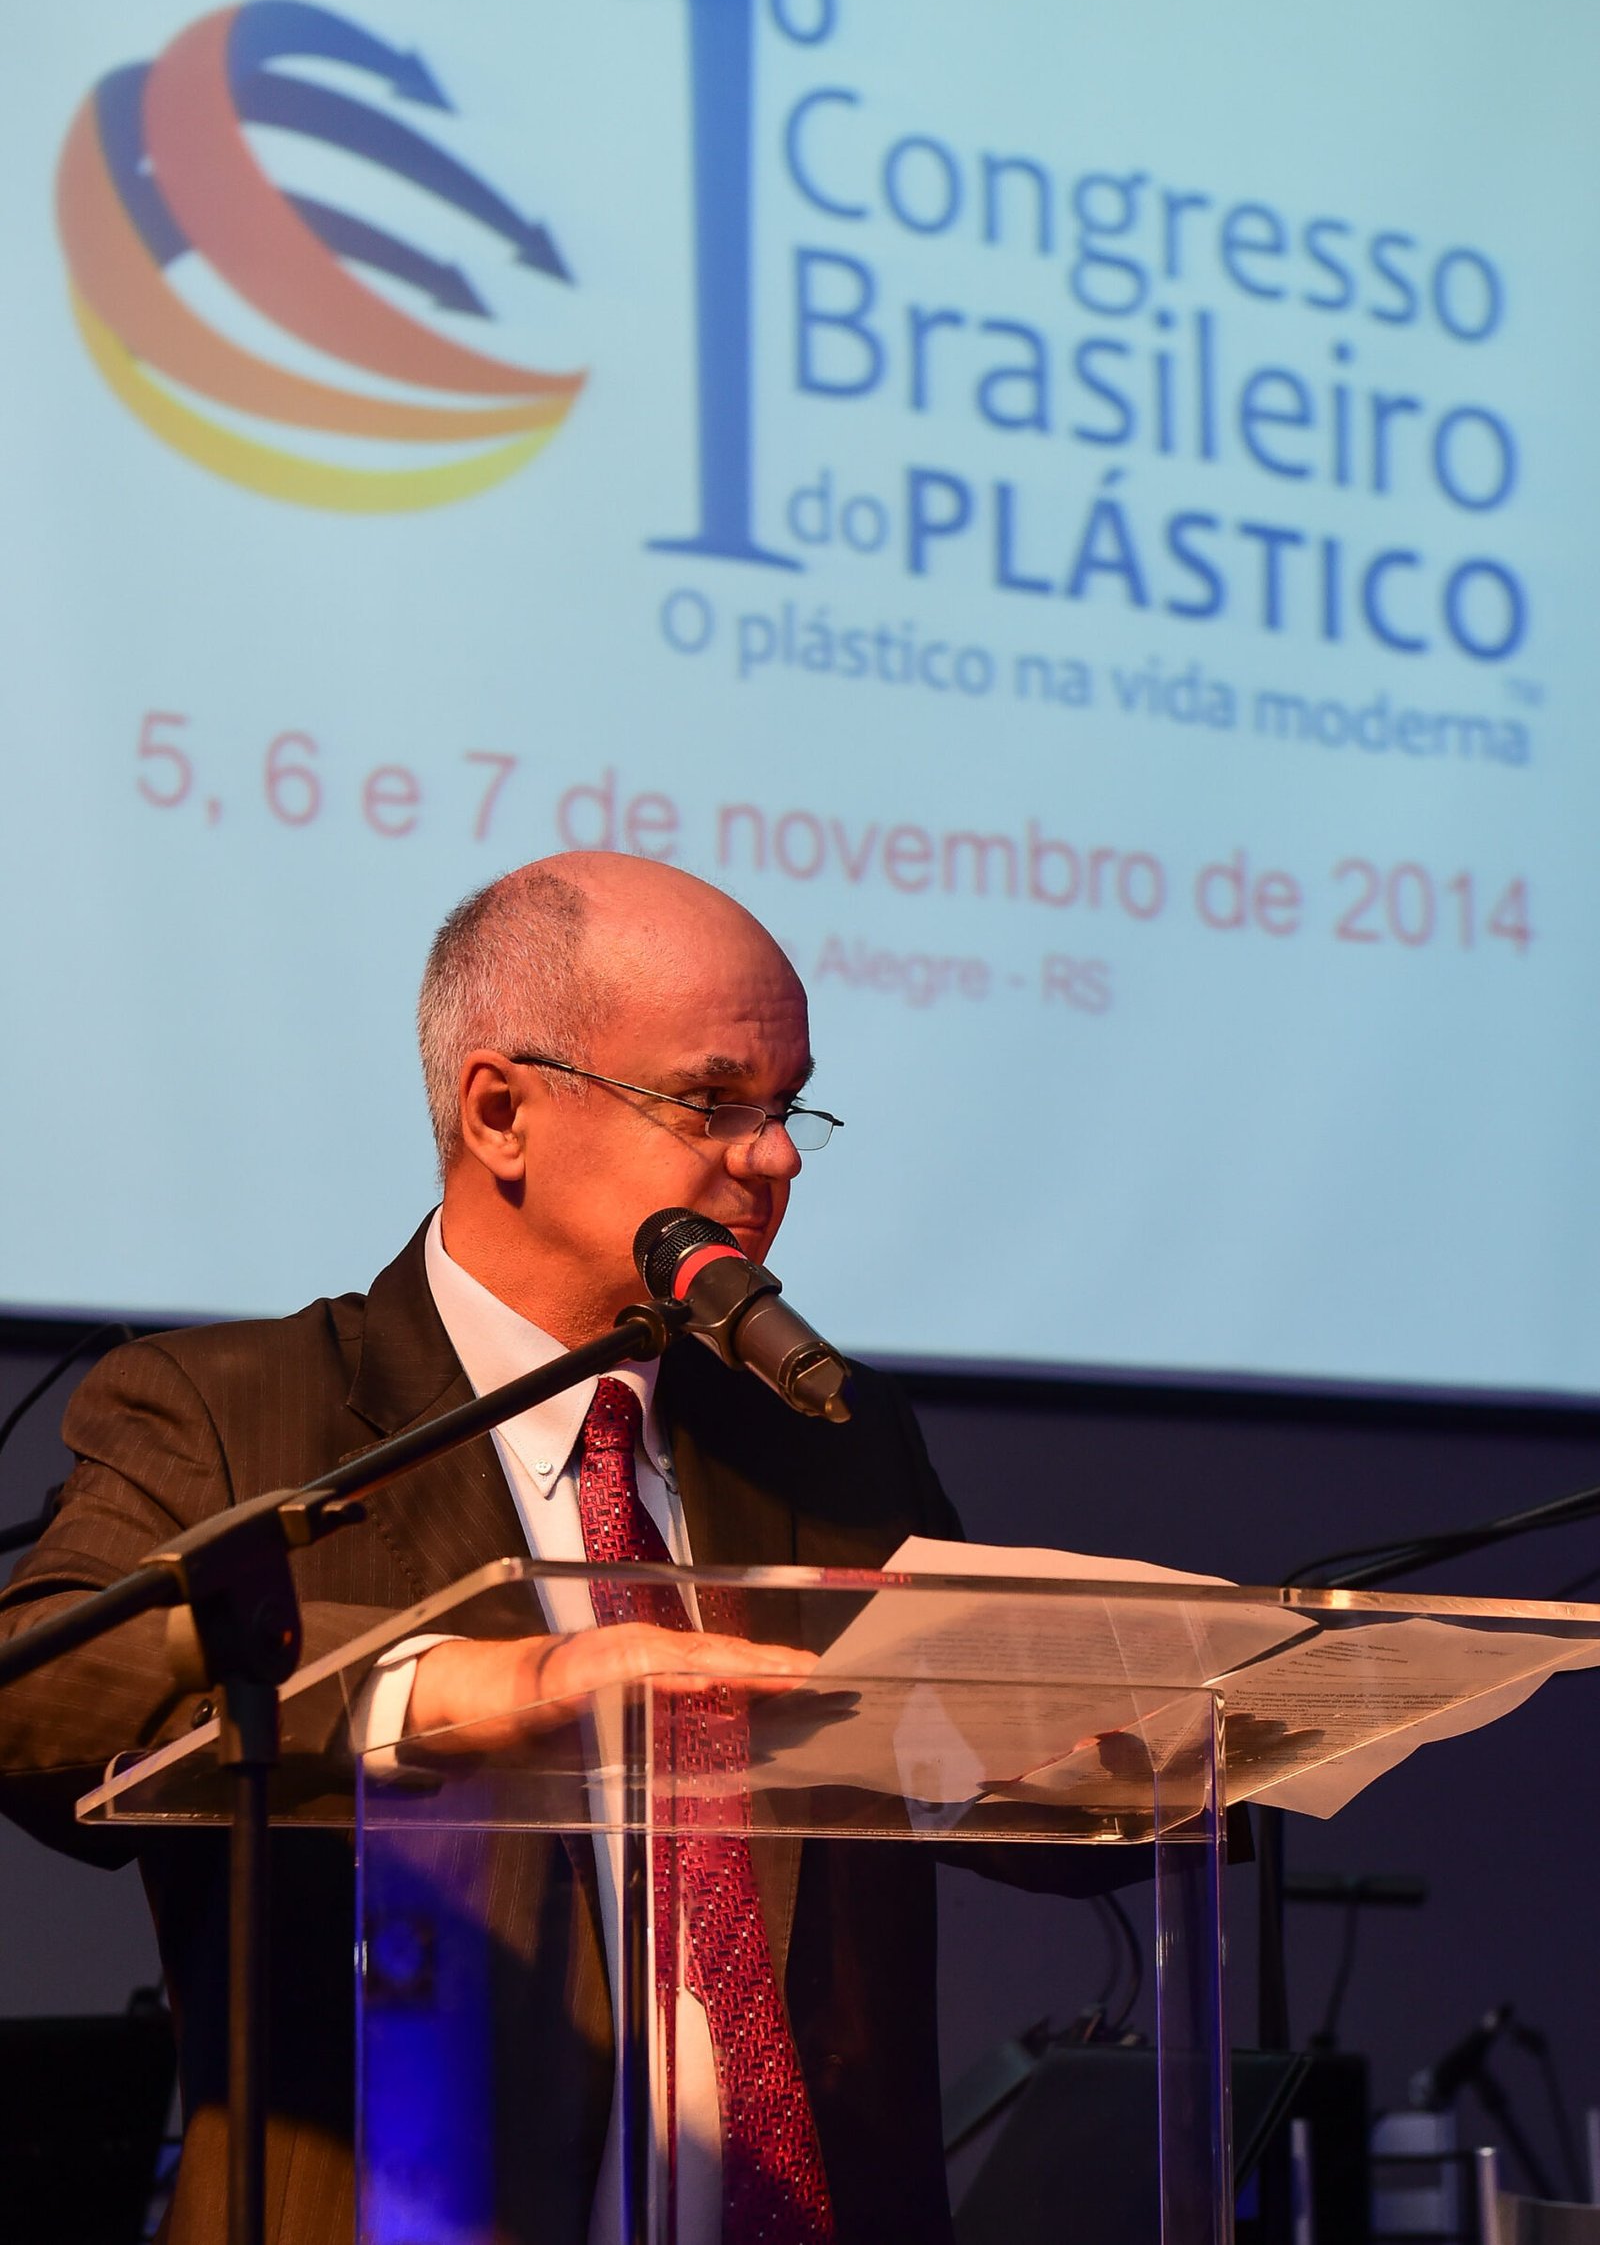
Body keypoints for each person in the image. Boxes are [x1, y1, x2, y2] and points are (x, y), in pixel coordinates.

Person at [0, 852, 1141, 2245]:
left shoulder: (833, 1435)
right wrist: (431, 1690)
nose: (773, 1155)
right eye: (715, 1102)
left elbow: (978, 1785)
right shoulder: (237, 1412)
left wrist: (1109, 1765)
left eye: (787, 1108)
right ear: (500, 1112)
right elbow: (34, 1708)